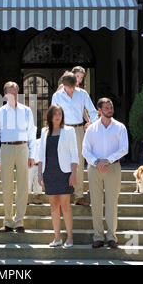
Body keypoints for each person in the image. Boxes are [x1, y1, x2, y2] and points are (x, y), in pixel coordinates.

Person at [82, 98, 129, 249]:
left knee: (111, 203)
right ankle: (98, 236)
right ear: (99, 110)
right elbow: (85, 150)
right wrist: (97, 162)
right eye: (107, 107)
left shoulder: (120, 127)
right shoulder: (91, 129)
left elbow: (124, 149)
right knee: (95, 203)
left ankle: (111, 237)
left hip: (113, 168)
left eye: (111, 107)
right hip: (94, 168)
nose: (110, 109)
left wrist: (107, 161)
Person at [0, 81, 36, 233]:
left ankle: (19, 221)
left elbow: (31, 133)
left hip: (23, 148)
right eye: (10, 92)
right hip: (6, 148)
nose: (13, 95)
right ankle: (8, 220)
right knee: (7, 185)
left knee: (23, 185)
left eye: (15, 92)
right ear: (5, 94)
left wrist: (32, 154)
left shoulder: (27, 111)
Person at [51, 71, 99, 206]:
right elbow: (53, 114)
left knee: (78, 162)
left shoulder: (82, 94)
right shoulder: (57, 96)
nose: (71, 89)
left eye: (73, 86)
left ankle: (79, 195)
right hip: (62, 129)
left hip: (78, 129)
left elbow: (93, 110)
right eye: (69, 87)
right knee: (61, 161)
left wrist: (92, 124)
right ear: (64, 85)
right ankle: (63, 193)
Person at [38, 105, 78, 248]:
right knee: (53, 206)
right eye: (55, 114)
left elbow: (74, 153)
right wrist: (39, 173)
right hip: (49, 172)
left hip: (64, 172)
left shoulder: (69, 131)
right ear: (50, 116)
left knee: (65, 205)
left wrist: (74, 173)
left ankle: (70, 237)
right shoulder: (44, 132)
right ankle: (57, 237)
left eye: (60, 114)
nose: (57, 116)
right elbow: (41, 154)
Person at [28, 132, 43, 205]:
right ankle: (26, 198)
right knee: (28, 181)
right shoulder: (29, 142)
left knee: (38, 182)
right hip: (30, 165)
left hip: (39, 165)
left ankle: (36, 198)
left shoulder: (42, 141)